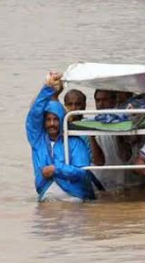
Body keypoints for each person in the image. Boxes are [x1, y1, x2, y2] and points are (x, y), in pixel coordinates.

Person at [25, 72, 95, 202]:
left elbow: (82, 173)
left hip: (74, 197)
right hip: (46, 196)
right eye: (48, 120)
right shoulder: (38, 140)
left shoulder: (75, 142)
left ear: (63, 120)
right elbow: (34, 114)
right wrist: (47, 88)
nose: (52, 124)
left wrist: (56, 169)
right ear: (44, 122)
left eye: (56, 120)